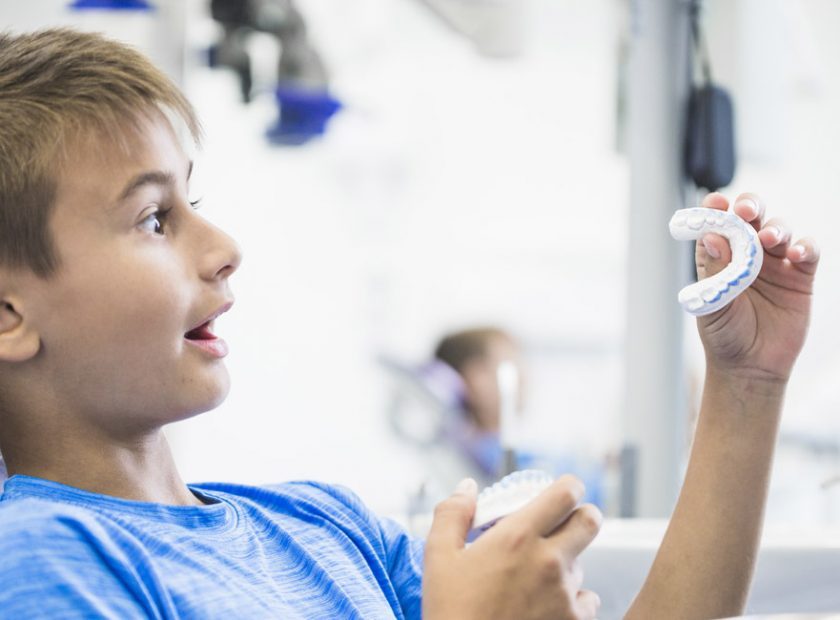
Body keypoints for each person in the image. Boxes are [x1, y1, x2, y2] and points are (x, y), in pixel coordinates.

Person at [0, 28, 819, 620]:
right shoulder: (40, 560)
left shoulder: (325, 527)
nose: (224, 248)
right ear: (9, 315)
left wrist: (746, 384)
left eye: (194, 200)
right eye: (153, 218)